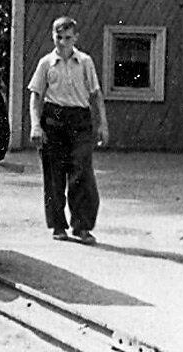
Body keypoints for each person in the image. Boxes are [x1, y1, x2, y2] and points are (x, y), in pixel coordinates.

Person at [27, 16, 109, 245]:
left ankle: (82, 226)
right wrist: (35, 125)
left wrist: (102, 124)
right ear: (52, 36)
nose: (62, 43)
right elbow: (36, 97)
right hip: (53, 121)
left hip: (79, 121)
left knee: (81, 173)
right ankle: (58, 225)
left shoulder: (85, 62)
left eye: (67, 38)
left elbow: (95, 95)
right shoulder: (46, 63)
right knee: (54, 176)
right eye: (58, 37)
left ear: (76, 38)